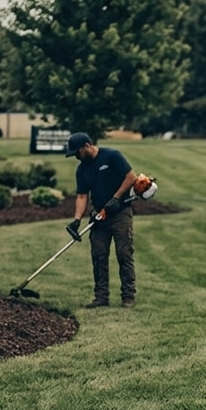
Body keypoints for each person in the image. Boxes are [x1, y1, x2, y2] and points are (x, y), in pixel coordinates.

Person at [64, 132, 138, 308]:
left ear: (87, 146)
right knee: (98, 256)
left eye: (77, 152)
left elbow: (131, 177)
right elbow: (82, 196)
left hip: (120, 213)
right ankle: (101, 297)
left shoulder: (112, 156)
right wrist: (76, 220)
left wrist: (116, 198)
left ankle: (128, 296)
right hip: (99, 217)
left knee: (124, 254)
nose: (76, 156)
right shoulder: (82, 170)